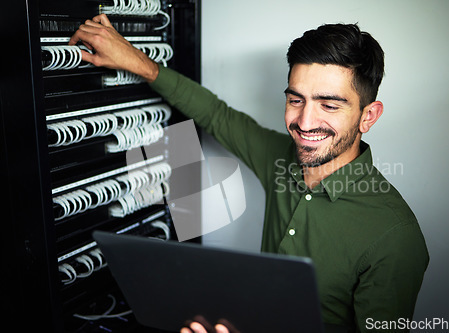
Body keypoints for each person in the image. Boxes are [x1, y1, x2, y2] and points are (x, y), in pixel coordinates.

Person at [70, 14, 429, 333]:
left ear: (368, 116)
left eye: (329, 105)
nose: (304, 122)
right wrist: (136, 60)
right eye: (296, 99)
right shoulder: (282, 157)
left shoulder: (395, 237)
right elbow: (217, 115)